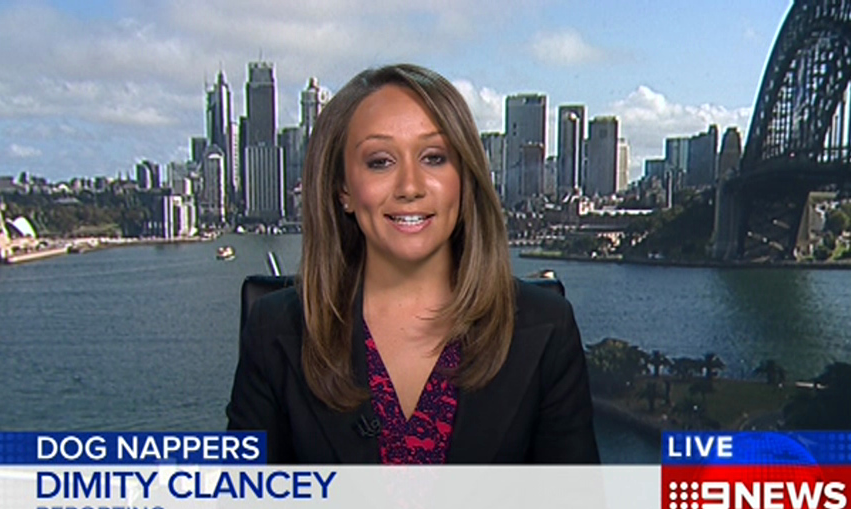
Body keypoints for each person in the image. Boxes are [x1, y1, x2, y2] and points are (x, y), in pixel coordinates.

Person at [227, 63, 599, 464]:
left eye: (434, 158)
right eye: (380, 161)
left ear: (465, 178)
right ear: (343, 189)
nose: (410, 187)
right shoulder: (275, 331)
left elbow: (574, 503)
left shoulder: (547, 329)